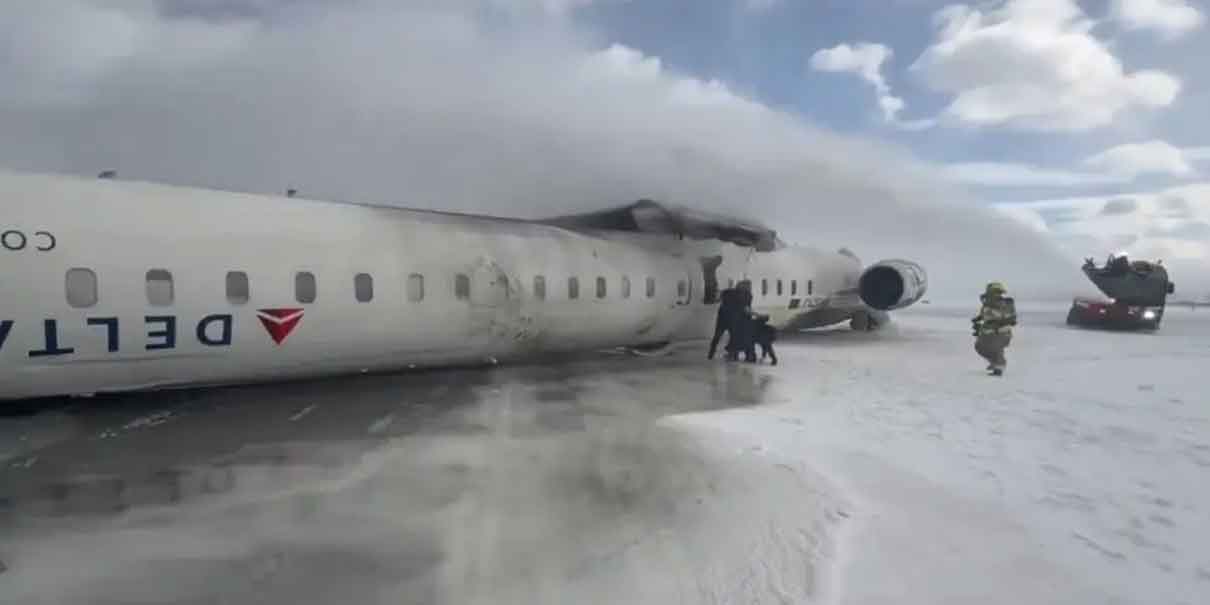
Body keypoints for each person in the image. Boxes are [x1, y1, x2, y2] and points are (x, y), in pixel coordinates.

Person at [971, 282, 1016, 376]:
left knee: (995, 346)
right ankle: (994, 362)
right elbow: (986, 315)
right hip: (989, 331)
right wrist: (978, 320)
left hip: (1002, 332)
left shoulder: (1006, 304)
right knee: (980, 346)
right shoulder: (987, 304)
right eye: (993, 292)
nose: (996, 295)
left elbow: (1009, 317)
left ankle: (999, 367)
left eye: (998, 293)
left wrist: (1000, 322)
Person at [708, 285, 741, 360]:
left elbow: (719, 302)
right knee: (734, 338)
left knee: (716, 337)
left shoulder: (723, 304)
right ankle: (735, 355)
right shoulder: (737, 300)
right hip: (732, 321)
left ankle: (711, 353)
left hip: (722, 321)